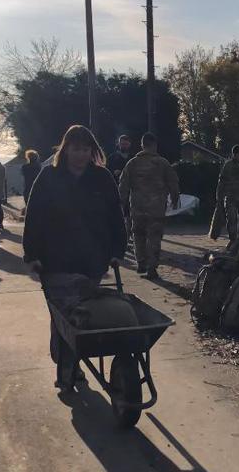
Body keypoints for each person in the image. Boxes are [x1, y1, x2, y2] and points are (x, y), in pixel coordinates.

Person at [23, 125, 128, 389]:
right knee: (63, 317)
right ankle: (66, 366)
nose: (80, 154)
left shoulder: (102, 178)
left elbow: (115, 216)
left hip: (91, 259)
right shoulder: (49, 177)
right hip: (54, 260)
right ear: (65, 149)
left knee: (83, 316)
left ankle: (69, 365)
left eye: (85, 149)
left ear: (92, 151)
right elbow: (34, 216)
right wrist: (31, 254)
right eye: (75, 148)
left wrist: (117, 250)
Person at [118, 132, 179, 279]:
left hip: (137, 207)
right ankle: (152, 268)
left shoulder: (131, 163)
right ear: (155, 145)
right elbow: (173, 182)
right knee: (154, 237)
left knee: (138, 235)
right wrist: (175, 199)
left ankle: (141, 262)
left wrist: (121, 204)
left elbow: (123, 186)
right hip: (156, 208)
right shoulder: (163, 163)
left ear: (142, 145)